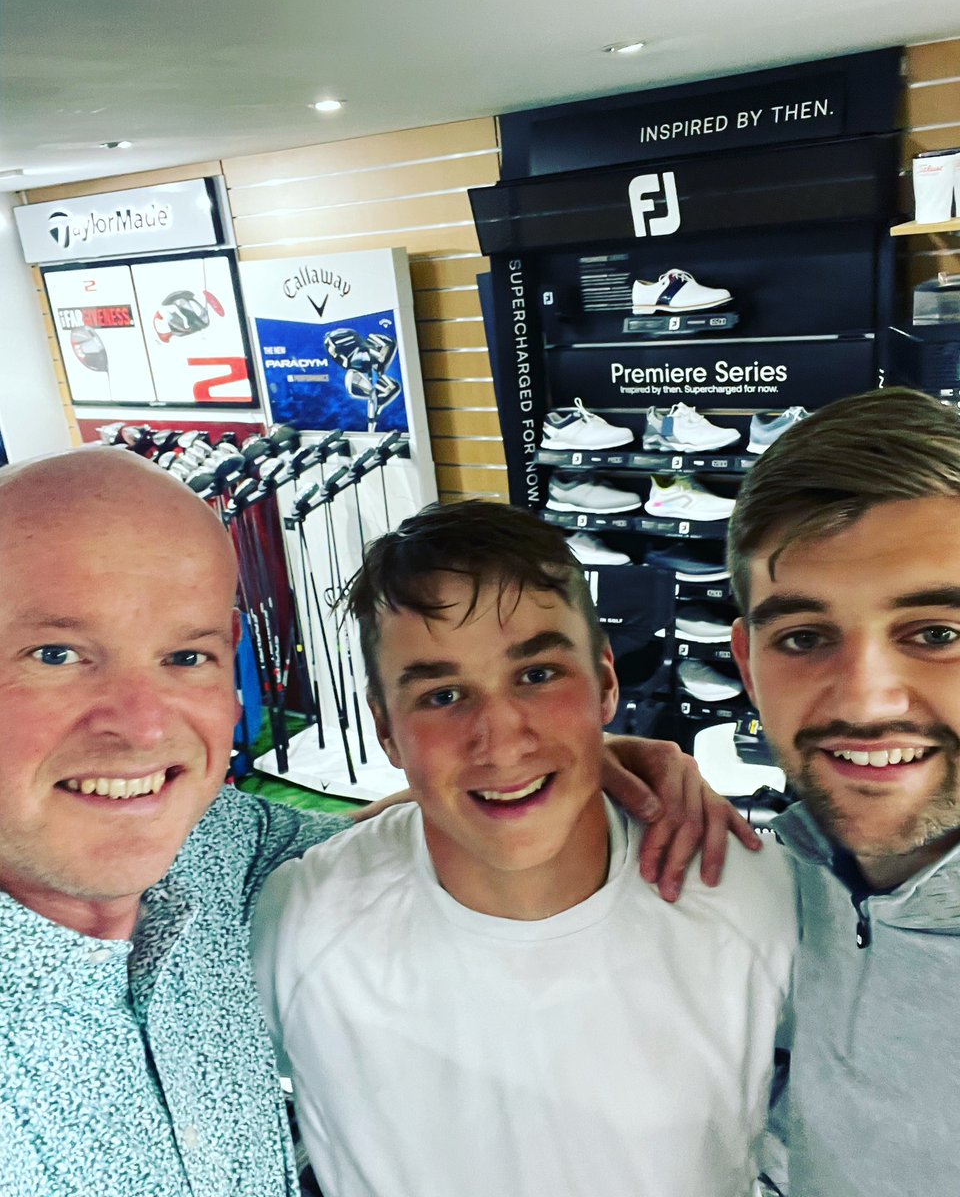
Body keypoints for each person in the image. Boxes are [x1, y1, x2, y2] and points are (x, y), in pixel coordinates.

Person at [0, 448, 741, 1197]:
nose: (141, 726)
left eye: (186, 656)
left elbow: (403, 840)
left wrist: (561, 755)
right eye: (56, 654)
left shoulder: (213, 846)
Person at [253, 500, 797, 1197]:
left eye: (537, 676)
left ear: (605, 681)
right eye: (444, 694)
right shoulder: (298, 927)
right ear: (386, 729)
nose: (501, 738)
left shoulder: (753, 895)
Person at [725, 387, 960, 1196]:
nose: (865, 701)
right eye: (804, 638)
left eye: (937, 634)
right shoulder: (771, 870)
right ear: (750, 665)